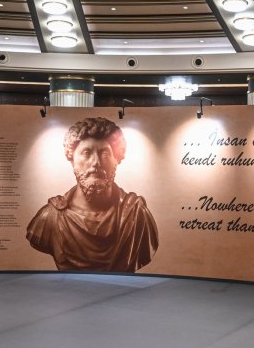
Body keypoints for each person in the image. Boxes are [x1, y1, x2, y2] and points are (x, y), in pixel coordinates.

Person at [27, 117, 158, 272]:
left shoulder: (136, 214)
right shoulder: (50, 217)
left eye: (104, 153)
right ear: (72, 158)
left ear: (117, 159)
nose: (96, 162)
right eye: (86, 153)